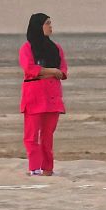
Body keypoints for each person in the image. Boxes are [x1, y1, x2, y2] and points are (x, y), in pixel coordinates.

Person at [19, 13, 67, 176]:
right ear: (38, 26)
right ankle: (34, 168)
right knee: (31, 136)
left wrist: (46, 73)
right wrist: (51, 71)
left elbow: (63, 72)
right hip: (34, 98)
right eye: (47, 23)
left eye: (50, 23)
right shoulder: (27, 48)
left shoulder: (56, 49)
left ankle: (48, 168)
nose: (50, 26)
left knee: (47, 136)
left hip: (52, 97)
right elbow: (30, 69)